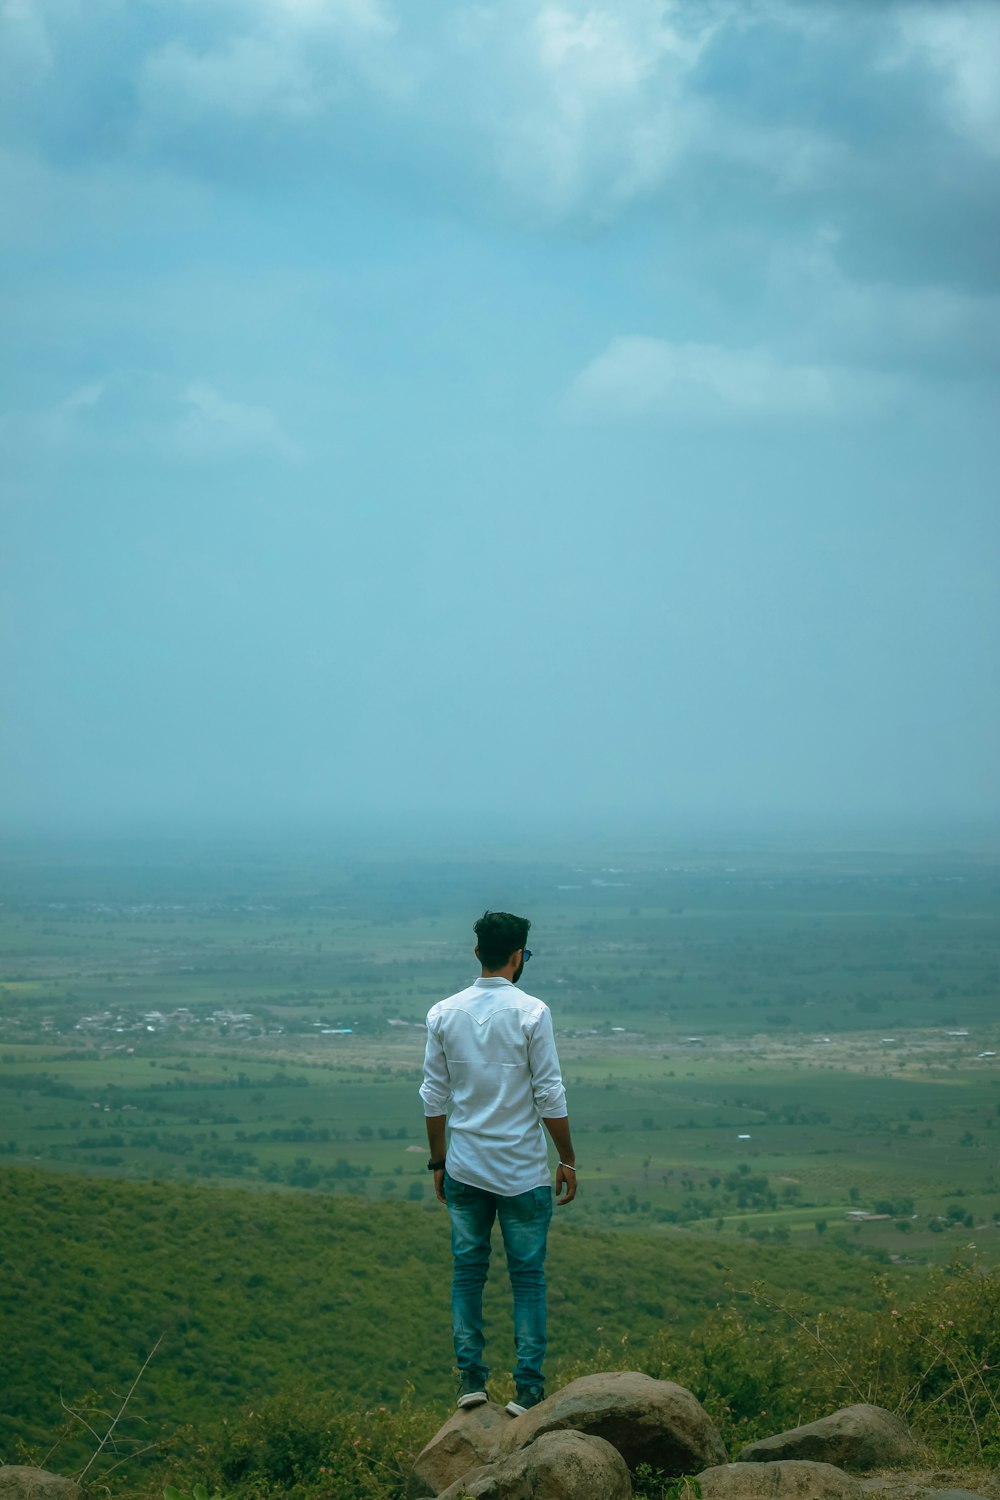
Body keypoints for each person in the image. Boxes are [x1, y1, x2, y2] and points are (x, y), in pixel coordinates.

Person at [420, 909, 576, 1415]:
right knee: (527, 1279)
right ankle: (528, 1388)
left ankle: (471, 1379)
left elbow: (433, 1096)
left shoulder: (443, 1013)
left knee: (468, 1273)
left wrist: (438, 1161)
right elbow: (549, 1093)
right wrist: (568, 1159)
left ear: (476, 953)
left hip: (465, 1166)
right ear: (517, 957)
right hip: (522, 1172)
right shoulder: (532, 1013)